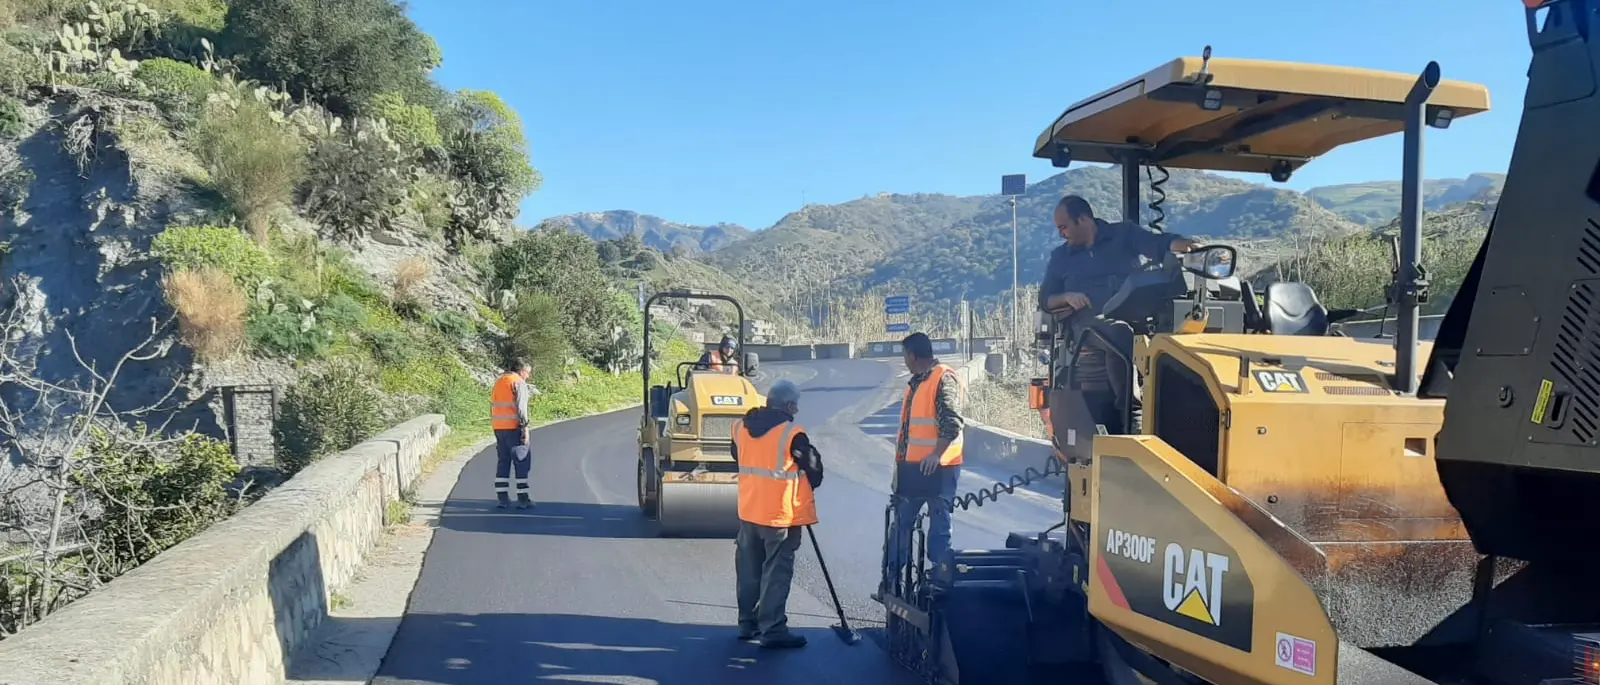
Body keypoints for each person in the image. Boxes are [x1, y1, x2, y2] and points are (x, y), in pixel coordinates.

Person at [1037, 195, 1197, 432]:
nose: (1061, 233)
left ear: (1083, 219)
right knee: (1119, 333)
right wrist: (1067, 296)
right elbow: (1046, 299)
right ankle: (1132, 414)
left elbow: (1156, 244)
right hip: (1087, 325)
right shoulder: (1061, 258)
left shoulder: (1124, 234)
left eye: (1064, 227)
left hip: (1136, 316)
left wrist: (1182, 246)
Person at [731, 379, 823, 649]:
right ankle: (772, 628)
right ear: (789, 405)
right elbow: (815, 471)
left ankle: (747, 623)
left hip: (748, 512)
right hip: (779, 515)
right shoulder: (792, 434)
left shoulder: (740, 427)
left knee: (748, 570)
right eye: (796, 405)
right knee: (776, 572)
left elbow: (737, 455)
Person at [883, 332, 965, 582]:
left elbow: (952, 422)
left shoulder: (943, 378)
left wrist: (935, 455)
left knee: (939, 528)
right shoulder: (918, 381)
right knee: (901, 526)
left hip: (940, 468)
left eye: (905, 356)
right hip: (912, 469)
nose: (904, 361)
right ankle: (892, 581)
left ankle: (939, 584)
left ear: (912, 355)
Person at [489, 357, 541, 509]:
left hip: (499, 427)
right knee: (521, 461)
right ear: (521, 370)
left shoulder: (499, 382)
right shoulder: (518, 382)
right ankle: (523, 498)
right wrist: (524, 428)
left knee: (503, 462)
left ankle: (502, 498)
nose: (528, 376)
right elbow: (521, 407)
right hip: (514, 427)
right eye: (527, 372)